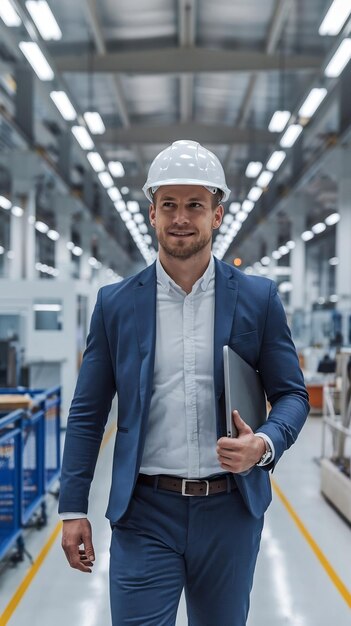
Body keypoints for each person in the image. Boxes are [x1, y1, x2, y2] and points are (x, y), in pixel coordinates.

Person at [59, 139, 309, 626]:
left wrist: (263, 443)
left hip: (230, 513)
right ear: (152, 214)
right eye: (168, 205)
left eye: (195, 205)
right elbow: (88, 412)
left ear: (217, 215)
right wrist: (74, 506)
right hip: (144, 513)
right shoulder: (116, 305)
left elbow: (291, 396)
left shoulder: (258, 300)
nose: (180, 217)